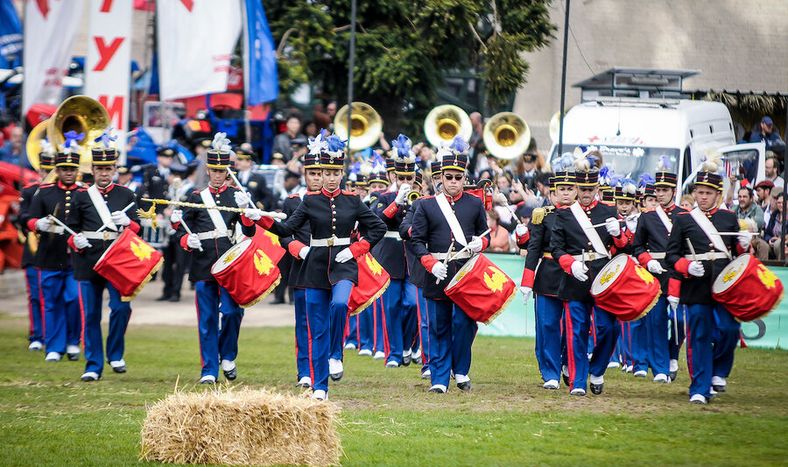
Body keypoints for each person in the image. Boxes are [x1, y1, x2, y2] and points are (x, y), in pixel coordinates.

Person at [250, 130, 386, 400]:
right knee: (317, 329)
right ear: (320, 174)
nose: (332, 177)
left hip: (344, 265)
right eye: (327, 173)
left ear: (341, 173)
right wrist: (260, 219)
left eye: (336, 173)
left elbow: (378, 227)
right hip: (314, 268)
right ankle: (320, 386)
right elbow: (287, 227)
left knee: (339, 305)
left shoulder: (353, 200)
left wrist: (356, 249)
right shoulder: (310, 201)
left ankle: (337, 353)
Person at [172, 133, 257, 385]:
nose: (219, 174)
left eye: (223, 170)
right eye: (214, 170)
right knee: (207, 318)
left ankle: (228, 355)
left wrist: (247, 213)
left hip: (231, 264)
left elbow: (250, 232)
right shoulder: (197, 197)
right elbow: (179, 225)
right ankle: (209, 368)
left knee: (232, 312)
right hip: (203, 264)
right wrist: (187, 240)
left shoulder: (237, 195)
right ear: (208, 171)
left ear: (228, 170)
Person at [410, 137, 490, 393]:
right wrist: (430, 263)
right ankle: (440, 379)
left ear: (464, 177)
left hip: (466, 272)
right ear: (441, 178)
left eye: (458, 177)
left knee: (466, 323)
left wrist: (482, 244)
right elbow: (417, 241)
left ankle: (462, 369)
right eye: (449, 177)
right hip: (438, 273)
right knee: (439, 325)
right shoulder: (426, 206)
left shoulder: (475, 203)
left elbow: (485, 233)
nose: (454, 182)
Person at [666, 160, 748, 404]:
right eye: (699, 192)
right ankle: (699, 388)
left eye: (708, 193)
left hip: (724, 286)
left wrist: (744, 244)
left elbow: (738, 255)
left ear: (718, 194)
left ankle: (718, 372)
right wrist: (686, 266)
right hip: (696, 287)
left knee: (729, 330)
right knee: (699, 337)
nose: (703, 197)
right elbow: (672, 255)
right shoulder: (683, 220)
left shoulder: (728, 219)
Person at [549, 153, 628, 396]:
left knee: (609, 328)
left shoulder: (608, 211)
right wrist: (569, 264)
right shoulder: (564, 214)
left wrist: (618, 234)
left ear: (597, 188)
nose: (585, 193)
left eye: (589, 188)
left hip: (603, 277)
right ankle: (578, 381)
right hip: (576, 276)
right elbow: (556, 248)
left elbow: (623, 247)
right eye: (581, 188)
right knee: (576, 331)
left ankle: (597, 369)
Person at [66, 131, 141, 382]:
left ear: (115, 168)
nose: (104, 173)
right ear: (93, 169)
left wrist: (128, 222)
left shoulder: (126, 195)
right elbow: (71, 228)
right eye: (100, 168)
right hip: (87, 259)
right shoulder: (81, 196)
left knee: (121, 308)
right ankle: (93, 365)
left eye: (108, 168)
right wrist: (74, 240)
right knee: (91, 314)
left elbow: (139, 229)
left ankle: (115, 352)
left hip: (117, 257)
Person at [27, 141, 83, 363]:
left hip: (75, 257)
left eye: (72, 169)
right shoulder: (44, 193)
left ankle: (72, 341)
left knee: (73, 298)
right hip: (49, 256)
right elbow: (27, 218)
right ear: (57, 171)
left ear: (77, 171)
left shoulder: (83, 193)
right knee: (51, 302)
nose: (68, 173)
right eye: (64, 169)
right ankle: (54, 346)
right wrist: (38, 224)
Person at [521, 172, 575, 389]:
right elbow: (533, 249)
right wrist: (527, 280)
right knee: (547, 326)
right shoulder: (542, 216)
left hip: (574, 276)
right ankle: (550, 372)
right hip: (548, 276)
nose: (565, 193)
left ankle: (568, 364)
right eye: (561, 189)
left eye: (570, 189)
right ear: (552, 193)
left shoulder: (582, 216)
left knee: (574, 327)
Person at [632, 161, 685, 383]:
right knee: (656, 323)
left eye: (665, 190)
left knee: (681, 323)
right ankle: (660, 368)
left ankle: (673, 355)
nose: (661, 194)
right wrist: (647, 261)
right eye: (658, 190)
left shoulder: (685, 215)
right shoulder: (647, 217)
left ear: (673, 191)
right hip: (657, 272)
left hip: (681, 273)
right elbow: (638, 246)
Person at [372, 135, 420, 368]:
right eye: (401, 177)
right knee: (391, 307)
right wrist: (395, 204)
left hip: (412, 256)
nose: (405, 181)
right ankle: (394, 353)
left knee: (412, 303)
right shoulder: (385, 197)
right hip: (390, 256)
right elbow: (377, 221)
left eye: (409, 177)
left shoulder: (419, 198)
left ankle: (410, 345)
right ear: (392, 176)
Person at [276, 151, 322, 389]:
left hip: (329, 268)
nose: (316, 178)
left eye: (320, 173)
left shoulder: (340, 200)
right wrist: (297, 248)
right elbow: (283, 235)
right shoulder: (293, 201)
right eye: (312, 173)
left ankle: (328, 362)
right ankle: (304, 371)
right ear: (305, 175)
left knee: (329, 320)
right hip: (302, 266)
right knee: (303, 323)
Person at [17, 148, 56, 352]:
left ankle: (53, 335)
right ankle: (36, 335)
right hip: (33, 249)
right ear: (39, 170)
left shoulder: (61, 193)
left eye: (51, 169)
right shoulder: (30, 191)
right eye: (44, 169)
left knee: (55, 296)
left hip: (55, 250)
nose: (47, 173)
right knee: (34, 294)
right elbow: (21, 218)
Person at [733, 186, 768, 260]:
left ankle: (761, 269)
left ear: (751, 198)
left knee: (763, 245)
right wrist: (747, 225)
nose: (741, 199)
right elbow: (729, 223)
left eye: (745, 197)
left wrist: (737, 224)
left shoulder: (757, 209)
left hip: (753, 238)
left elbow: (758, 223)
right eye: (740, 197)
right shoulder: (734, 208)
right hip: (736, 238)